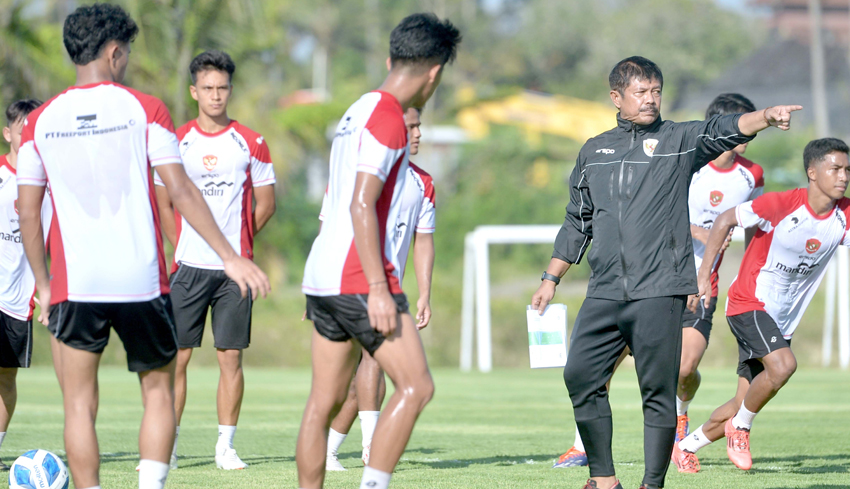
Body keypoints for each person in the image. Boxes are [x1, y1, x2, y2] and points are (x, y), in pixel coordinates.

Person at [15, 5, 269, 489]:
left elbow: (29, 212)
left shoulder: (40, 122)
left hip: (75, 283)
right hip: (140, 280)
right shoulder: (146, 108)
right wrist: (230, 256)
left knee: (78, 404)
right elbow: (182, 191)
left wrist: (44, 285)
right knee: (157, 392)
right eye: (126, 52)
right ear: (114, 52)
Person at [531, 55, 800, 489]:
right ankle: (604, 479)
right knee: (579, 375)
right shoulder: (593, 150)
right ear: (616, 96)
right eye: (640, 92)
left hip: (659, 289)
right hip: (604, 290)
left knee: (657, 392)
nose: (650, 99)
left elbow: (721, 130)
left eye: (656, 91)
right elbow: (578, 219)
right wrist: (551, 277)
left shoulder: (678, 139)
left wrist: (765, 117)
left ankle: (651, 483)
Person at [553, 92, 767, 470]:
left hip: (703, 285)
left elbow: (755, 223)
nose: (743, 131)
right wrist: (701, 232)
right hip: (651, 279)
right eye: (738, 122)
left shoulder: (752, 174)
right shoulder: (684, 158)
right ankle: (580, 445)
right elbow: (646, 213)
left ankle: (680, 422)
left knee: (685, 369)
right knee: (603, 368)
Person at [298, 13, 459, 489]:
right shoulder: (390, 117)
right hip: (357, 275)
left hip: (320, 273)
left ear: (392, 58)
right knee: (416, 386)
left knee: (320, 403)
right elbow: (360, 202)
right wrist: (377, 288)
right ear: (434, 73)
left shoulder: (356, 109)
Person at [673, 137, 850, 474]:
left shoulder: (844, 215)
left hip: (781, 321)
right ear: (813, 172)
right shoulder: (779, 204)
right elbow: (725, 218)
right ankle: (740, 429)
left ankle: (686, 446)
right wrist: (703, 275)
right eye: (835, 168)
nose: (843, 176)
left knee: (743, 401)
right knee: (783, 367)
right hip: (748, 304)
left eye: (847, 170)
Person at [153, 50, 276, 471]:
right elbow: (165, 204)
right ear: (194, 91)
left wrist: (239, 247)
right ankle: (165, 444)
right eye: (208, 88)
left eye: (222, 87)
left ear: (230, 90)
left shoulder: (252, 142)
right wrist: (181, 247)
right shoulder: (176, 141)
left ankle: (225, 447)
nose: (216, 95)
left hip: (233, 273)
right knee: (177, 358)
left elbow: (265, 205)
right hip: (188, 267)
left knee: (231, 357)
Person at [324, 107, 436, 472]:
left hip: (388, 291)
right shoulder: (356, 176)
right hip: (346, 285)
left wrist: (424, 294)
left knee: (367, 380)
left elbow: (423, 241)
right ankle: (371, 446)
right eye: (411, 126)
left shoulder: (424, 183)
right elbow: (329, 231)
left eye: (419, 125)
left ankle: (332, 450)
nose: (418, 132)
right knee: (348, 377)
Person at [0, 99, 49, 471]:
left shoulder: (50, 183)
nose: (28, 134)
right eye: (22, 128)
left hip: (20, 299)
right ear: (8, 133)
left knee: (6, 376)